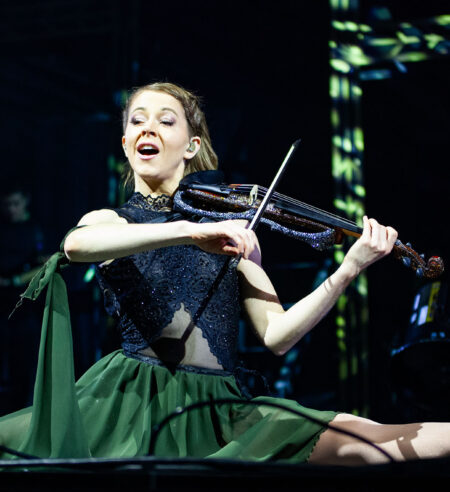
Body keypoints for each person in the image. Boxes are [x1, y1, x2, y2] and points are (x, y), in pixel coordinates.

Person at [1, 81, 450, 465]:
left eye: (165, 120)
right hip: (132, 400)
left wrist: (350, 268)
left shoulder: (227, 231)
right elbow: (76, 246)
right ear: (125, 143)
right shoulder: (117, 220)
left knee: (369, 439)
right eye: (137, 121)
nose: (148, 128)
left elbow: (278, 335)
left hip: (222, 409)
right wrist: (188, 233)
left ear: (192, 146)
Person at [0, 190, 45, 414]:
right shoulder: (4, 229)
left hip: (26, 306)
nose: (11, 209)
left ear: (25, 202)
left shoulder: (35, 230)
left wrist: (18, 279)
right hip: (3, 304)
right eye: (7, 204)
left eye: (15, 203)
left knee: (25, 362)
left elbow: (47, 262)